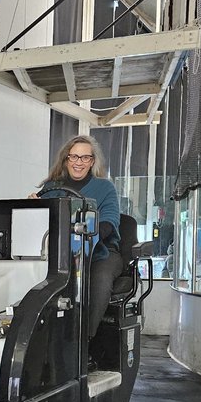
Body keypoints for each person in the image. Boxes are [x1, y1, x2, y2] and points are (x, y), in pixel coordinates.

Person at [31, 135, 122, 346]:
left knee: (100, 277)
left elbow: (109, 221)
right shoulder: (51, 187)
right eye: (74, 157)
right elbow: (39, 219)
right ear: (66, 159)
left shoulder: (104, 188)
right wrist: (33, 205)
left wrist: (87, 236)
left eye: (84, 158)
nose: (78, 162)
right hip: (60, 250)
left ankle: (83, 343)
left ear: (92, 161)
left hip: (101, 251)